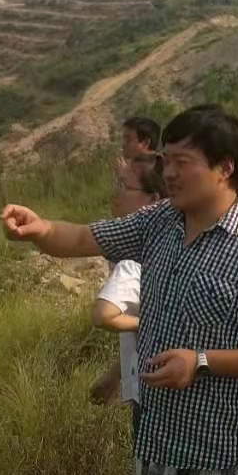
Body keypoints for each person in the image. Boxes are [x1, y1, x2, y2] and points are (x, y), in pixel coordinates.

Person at [1, 104, 238, 475]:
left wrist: (200, 361)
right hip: (157, 443)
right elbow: (83, 239)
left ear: (225, 168)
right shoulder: (160, 221)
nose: (169, 174)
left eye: (183, 162)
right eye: (166, 161)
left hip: (222, 452)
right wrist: (40, 229)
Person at [88, 155, 167, 430]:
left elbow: (104, 315)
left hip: (149, 395)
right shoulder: (175, 248)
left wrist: (147, 324)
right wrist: (115, 375)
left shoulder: (132, 262)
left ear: (152, 199)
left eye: (123, 185)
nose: (115, 193)